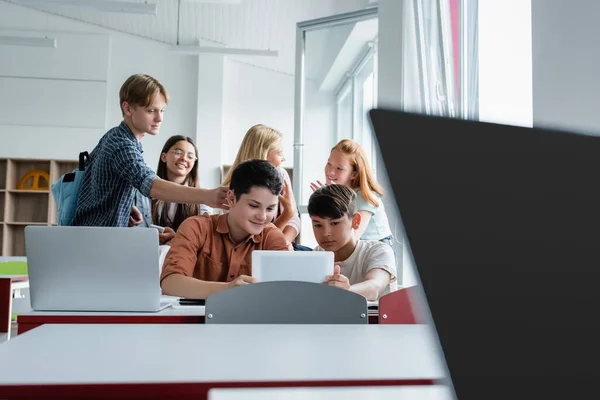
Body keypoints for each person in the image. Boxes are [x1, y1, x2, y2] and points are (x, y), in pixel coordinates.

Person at [72, 73, 227, 227]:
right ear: (127, 108)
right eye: (151, 110)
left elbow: (99, 189)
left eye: (162, 110)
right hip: (96, 238)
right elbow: (151, 186)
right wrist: (207, 195)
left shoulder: (116, 137)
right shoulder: (122, 145)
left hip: (93, 234)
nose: (159, 118)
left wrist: (125, 208)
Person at [160, 159, 289, 299]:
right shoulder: (196, 227)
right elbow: (170, 283)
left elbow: (288, 289)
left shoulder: (273, 237)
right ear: (231, 198)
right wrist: (227, 289)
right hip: (198, 318)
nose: (263, 217)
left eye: (270, 208)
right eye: (253, 206)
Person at [223, 124, 305, 250]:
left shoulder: (282, 175)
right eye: (279, 152)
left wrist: (283, 244)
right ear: (264, 153)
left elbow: (294, 221)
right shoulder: (234, 188)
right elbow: (251, 238)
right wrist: (287, 214)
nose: (284, 158)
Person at [308, 184, 397, 301]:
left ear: (356, 221)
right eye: (318, 225)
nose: (326, 233)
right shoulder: (316, 255)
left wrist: (347, 291)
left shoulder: (379, 251)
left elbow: (374, 287)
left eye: (334, 223)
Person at [310, 139, 394, 247]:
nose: (330, 172)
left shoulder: (365, 196)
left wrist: (332, 201)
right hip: (353, 250)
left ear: (353, 174)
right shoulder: (336, 192)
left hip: (377, 251)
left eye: (339, 168)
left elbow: (351, 237)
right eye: (329, 163)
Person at [134, 135, 212, 244]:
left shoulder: (202, 196)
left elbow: (205, 235)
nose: (184, 158)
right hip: (150, 252)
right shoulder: (143, 191)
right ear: (164, 157)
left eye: (190, 156)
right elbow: (138, 229)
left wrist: (176, 237)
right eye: (178, 152)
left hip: (184, 256)